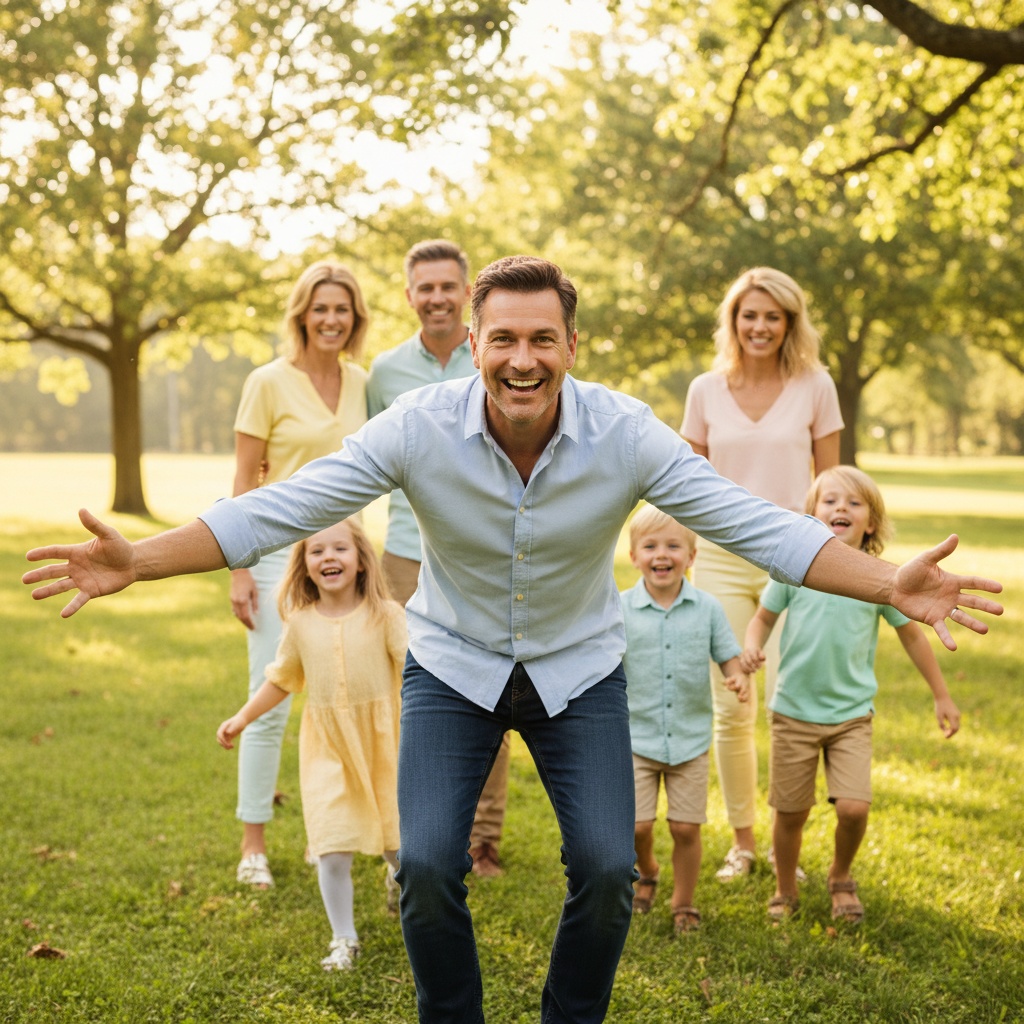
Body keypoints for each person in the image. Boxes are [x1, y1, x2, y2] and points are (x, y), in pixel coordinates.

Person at [24, 256, 1001, 1024]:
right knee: (429, 867)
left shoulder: (625, 431)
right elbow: (285, 503)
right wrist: (142, 559)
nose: (521, 358)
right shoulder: (417, 426)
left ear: (572, 343)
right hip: (453, 668)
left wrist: (886, 580)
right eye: (503, 339)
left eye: (542, 337)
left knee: (610, 870)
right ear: (477, 344)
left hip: (581, 669)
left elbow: (755, 523)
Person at [740, 466, 962, 924]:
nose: (840, 508)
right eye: (830, 501)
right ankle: (785, 889)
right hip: (793, 712)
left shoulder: (884, 580)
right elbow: (761, 619)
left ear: (872, 523)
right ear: (812, 514)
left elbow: (914, 638)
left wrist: (942, 695)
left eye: (854, 503)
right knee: (790, 811)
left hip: (851, 715)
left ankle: (840, 876)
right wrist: (751, 646)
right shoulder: (792, 573)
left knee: (856, 807)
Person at [680, 266, 844, 882]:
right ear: (733, 320)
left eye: (773, 316)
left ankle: (783, 847)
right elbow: (688, 487)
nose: (760, 326)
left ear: (789, 323)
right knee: (732, 703)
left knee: (786, 705)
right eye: (749, 314)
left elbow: (830, 489)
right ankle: (743, 843)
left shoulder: (815, 385)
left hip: (794, 559)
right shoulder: (704, 390)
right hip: (721, 557)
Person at [366, 239, 509, 879]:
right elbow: (375, 465)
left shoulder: (495, 356)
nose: (437, 298)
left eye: (448, 286)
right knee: (417, 700)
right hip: (403, 553)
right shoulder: (386, 373)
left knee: (496, 690)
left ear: (466, 293)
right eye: (425, 288)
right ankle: (419, 835)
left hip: (485, 555)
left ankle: (483, 840)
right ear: (409, 296)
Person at [226, 260, 369, 889]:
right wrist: (238, 570)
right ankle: (253, 843)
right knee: (273, 697)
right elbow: (242, 483)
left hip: (347, 559)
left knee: (340, 701)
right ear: (302, 315)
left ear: (355, 317)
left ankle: (328, 835)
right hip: (279, 559)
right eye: (321, 308)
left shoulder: (364, 383)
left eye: (342, 309)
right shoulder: (267, 382)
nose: (331, 319)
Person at [217, 519, 406, 969]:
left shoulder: (386, 615)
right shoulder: (299, 622)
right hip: (328, 752)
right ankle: (344, 938)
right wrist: (243, 717)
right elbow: (282, 679)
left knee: (403, 850)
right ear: (302, 565)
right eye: (316, 551)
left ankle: (402, 889)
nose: (328, 558)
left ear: (361, 560)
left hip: (388, 748)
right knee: (331, 848)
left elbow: (416, 672)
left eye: (339, 548)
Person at [621, 506, 750, 935]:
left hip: (691, 740)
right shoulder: (620, 609)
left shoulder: (707, 608)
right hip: (636, 738)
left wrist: (737, 678)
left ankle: (684, 903)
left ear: (692, 556)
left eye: (674, 545)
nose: (663, 554)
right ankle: (648, 870)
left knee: (685, 827)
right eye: (651, 546)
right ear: (634, 555)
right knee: (638, 826)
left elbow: (728, 655)